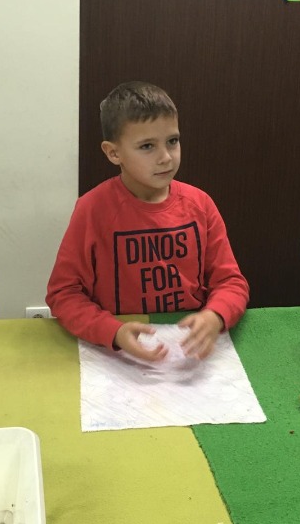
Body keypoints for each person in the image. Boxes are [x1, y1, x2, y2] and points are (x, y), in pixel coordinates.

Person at [46, 81, 249, 361]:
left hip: (188, 352)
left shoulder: (201, 204)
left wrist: (215, 315)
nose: (166, 157)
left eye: (173, 141)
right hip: (116, 356)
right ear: (113, 152)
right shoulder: (91, 209)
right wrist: (113, 331)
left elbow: (231, 282)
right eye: (147, 146)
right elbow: (63, 294)